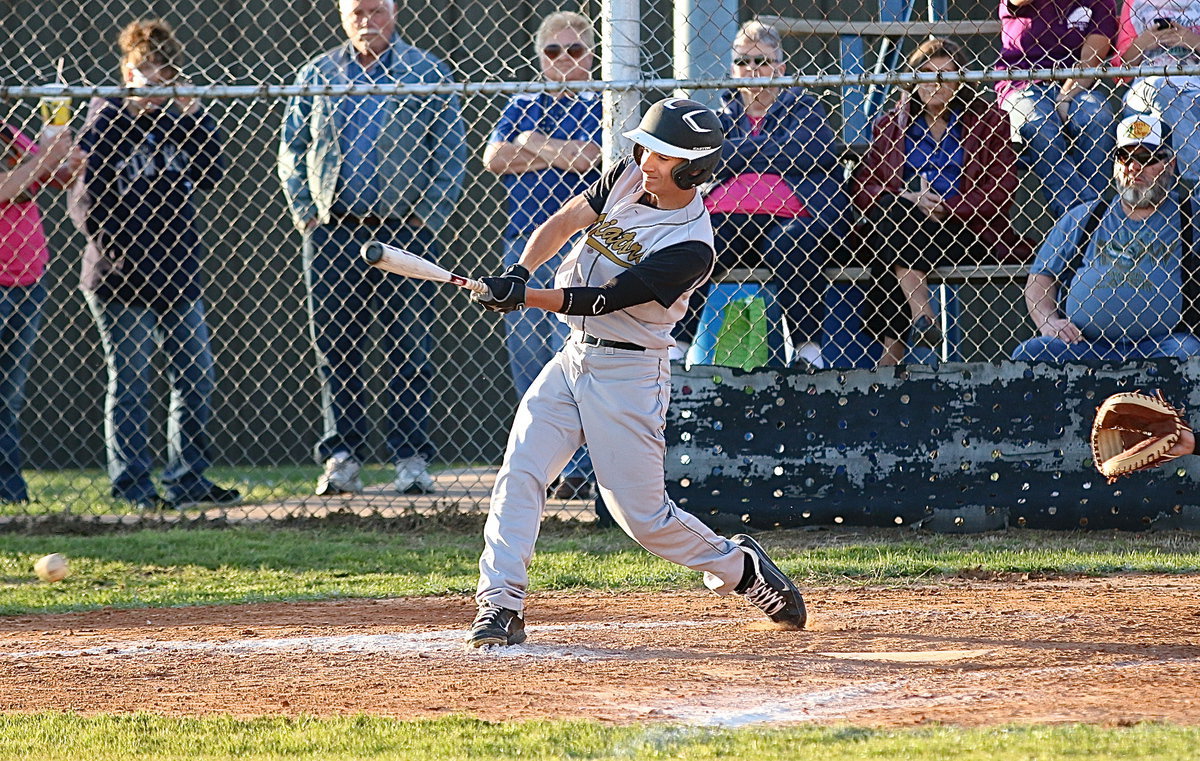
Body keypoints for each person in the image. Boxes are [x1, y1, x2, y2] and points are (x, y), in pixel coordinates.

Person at [464, 97, 807, 648]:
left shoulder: (690, 246)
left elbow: (603, 299)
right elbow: (566, 220)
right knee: (521, 470)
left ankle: (740, 567)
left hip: (629, 373)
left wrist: (523, 297)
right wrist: (518, 271)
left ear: (693, 170)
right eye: (646, 148)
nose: (647, 161)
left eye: (663, 156)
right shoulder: (628, 175)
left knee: (644, 519)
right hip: (573, 358)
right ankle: (501, 602)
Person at [279, 0, 466, 496]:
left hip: (404, 231)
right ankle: (342, 458)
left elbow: (450, 151)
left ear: (396, 11)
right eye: (357, 11)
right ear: (342, 14)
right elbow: (292, 149)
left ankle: (411, 460)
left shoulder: (427, 72)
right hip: (334, 231)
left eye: (377, 10)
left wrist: (427, 217)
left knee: (411, 346)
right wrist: (307, 214)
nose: (367, 21)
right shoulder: (317, 74)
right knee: (335, 347)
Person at [69, 19, 239, 510]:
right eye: (144, 69)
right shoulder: (105, 117)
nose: (154, 79)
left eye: (165, 70)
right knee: (132, 382)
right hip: (120, 277)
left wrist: (192, 114)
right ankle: (134, 487)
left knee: (196, 378)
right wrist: (124, 255)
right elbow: (85, 204)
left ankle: (187, 479)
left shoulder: (176, 120)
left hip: (177, 274)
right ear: (127, 70)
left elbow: (211, 171)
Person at [680, 20, 848, 368]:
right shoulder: (718, 119)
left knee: (792, 244)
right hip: (725, 220)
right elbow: (704, 160)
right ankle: (674, 348)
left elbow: (809, 151)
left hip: (792, 219)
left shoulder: (805, 107)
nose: (752, 69)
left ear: (780, 68)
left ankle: (808, 354)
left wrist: (736, 152)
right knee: (693, 241)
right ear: (733, 70)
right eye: (743, 61)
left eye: (762, 61)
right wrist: (776, 149)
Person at [853, 39, 1031, 366]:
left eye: (944, 74)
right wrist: (907, 198)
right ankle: (921, 315)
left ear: (959, 81)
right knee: (896, 212)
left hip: (966, 232)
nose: (934, 83)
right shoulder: (890, 126)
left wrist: (948, 207)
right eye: (926, 73)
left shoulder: (989, 121)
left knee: (890, 242)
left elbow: (1002, 188)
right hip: (905, 225)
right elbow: (864, 188)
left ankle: (895, 351)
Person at [483, 11, 600, 501]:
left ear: (591, 55)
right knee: (528, 359)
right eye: (554, 51)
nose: (564, 60)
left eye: (574, 50)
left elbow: (593, 158)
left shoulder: (604, 99)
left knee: (574, 354)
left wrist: (532, 144)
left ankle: (583, 469)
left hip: (583, 242)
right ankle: (543, 466)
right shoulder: (523, 101)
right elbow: (494, 158)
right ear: (540, 57)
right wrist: (561, 153)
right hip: (524, 243)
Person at [1012, 113, 1200, 361]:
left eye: (1146, 158)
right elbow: (1041, 278)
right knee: (1031, 353)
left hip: (1163, 345)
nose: (1134, 167)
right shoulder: (1085, 217)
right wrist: (1049, 322)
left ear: (1171, 164)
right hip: (1084, 346)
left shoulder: (1191, 217)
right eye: (1124, 157)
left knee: (1189, 354)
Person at [0, 122, 81, 504]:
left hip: (27, 279)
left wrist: (69, 162)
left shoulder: (6, 131)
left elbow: (53, 178)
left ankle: (9, 492)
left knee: (8, 397)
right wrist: (45, 158)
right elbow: (5, 187)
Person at [996, 0, 1118, 217]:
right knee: (1040, 124)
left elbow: (1091, 59)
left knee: (1098, 116)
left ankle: (1082, 218)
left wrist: (1065, 96)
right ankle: (1086, 216)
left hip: (1077, 85)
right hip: (1022, 82)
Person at [1119, 0, 1200, 183]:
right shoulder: (1134, 4)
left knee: (1174, 105)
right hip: (1145, 89)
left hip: (1193, 87)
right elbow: (1119, 70)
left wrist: (1190, 40)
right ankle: (1196, 179)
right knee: (1161, 87)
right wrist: (1144, 42)